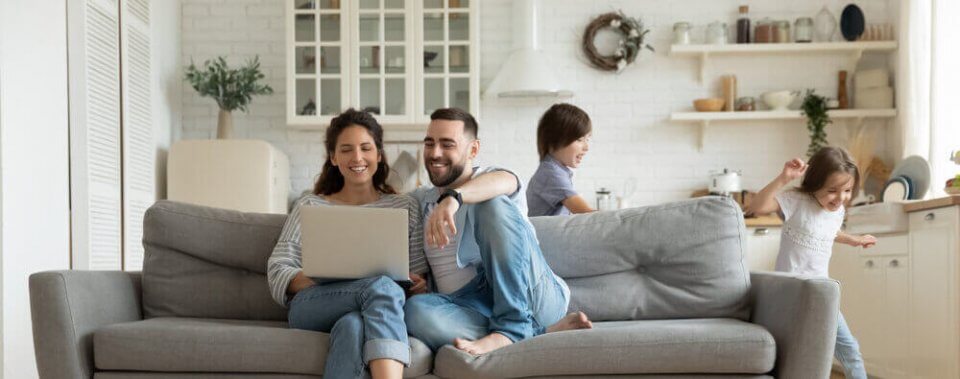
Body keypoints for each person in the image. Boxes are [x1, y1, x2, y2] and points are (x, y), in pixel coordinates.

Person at [404, 107, 592, 356]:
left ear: (473, 150)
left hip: (532, 294)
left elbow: (504, 182)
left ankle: (512, 327)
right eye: (430, 143)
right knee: (414, 311)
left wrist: (454, 198)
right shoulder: (421, 200)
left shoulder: (494, 178)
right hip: (469, 304)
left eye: (447, 144)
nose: (435, 153)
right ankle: (536, 332)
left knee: (490, 202)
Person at [266, 109, 428, 379]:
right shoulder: (310, 205)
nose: (357, 158)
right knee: (381, 287)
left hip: (375, 307)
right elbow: (278, 270)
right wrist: (329, 276)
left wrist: (418, 283)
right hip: (313, 306)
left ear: (379, 154)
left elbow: (418, 275)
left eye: (366, 148)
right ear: (333, 158)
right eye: (346, 149)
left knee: (353, 326)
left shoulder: (405, 206)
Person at [746, 146, 876, 379]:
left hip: (821, 293)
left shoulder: (836, 211)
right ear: (815, 183)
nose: (840, 198)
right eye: (832, 191)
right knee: (794, 355)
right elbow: (757, 207)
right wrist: (784, 178)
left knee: (850, 349)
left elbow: (827, 231)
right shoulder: (796, 201)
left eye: (847, 190)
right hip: (791, 293)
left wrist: (853, 240)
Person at [527, 103, 594, 216]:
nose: (587, 147)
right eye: (579, 139)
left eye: (587, 139)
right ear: (555, 140)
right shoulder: (551, 174)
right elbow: (590, 215)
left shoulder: (555, 171)